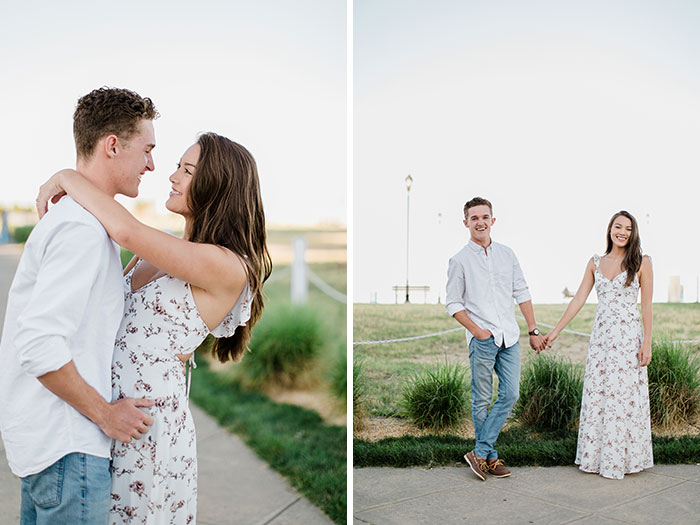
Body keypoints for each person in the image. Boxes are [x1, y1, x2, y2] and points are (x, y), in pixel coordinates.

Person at [36, 132, 272, 523]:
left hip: (148, 426)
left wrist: (66, 177)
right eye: (178, 166)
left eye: (187, 170)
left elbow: (124, 230)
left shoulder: (228, 265)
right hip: (104, 415)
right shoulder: (160, 249)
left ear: (217, 184)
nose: (172, 176)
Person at [0, 87, 158, 524]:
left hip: (52, 446)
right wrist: (104, 413)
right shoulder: (82, 231)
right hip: (68, 448)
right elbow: (37, 342)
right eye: (147, 149)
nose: (152, 164)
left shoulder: (81, 220)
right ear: (112, 145)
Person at [544, 211, 653, 479]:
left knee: (624, 398)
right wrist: (556, 331)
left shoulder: (642, 262)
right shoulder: (595, 262)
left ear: (633, 232)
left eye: (628, 228)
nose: (622, 232)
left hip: (628, 340)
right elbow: (578, 299)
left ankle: (625, 460)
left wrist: (647, 341)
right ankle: (596, 458)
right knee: (601, 395)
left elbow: (647, 305)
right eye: (618, 226)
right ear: (610, 230)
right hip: (602, 341)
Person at [445, 197, 547, 481]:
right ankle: (489, 458)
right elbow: (453, 303)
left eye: (485, 217)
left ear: (493, 220)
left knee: (511, 394)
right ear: (466, 223)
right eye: (474, 218)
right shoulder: (459, 260)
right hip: (483, 338)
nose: (480, 222)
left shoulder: (507, 254)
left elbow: (522, 292)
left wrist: (533, 330)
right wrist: (477, 331)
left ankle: (480, 451)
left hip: (510, 337)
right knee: (480, 400)